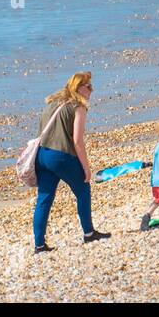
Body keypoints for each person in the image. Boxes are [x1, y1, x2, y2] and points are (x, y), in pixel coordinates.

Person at [32, 72, 111, 253]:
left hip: (42, 155)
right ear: (78, 88)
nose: (92, 90)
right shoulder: (78, 107)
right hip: (60, 156)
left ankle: (39, 245)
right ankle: (89, 233)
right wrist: (86, 167)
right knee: (83, 190)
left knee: (44, 198)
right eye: (88, 86)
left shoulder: (52, 103)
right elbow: (77, 141)